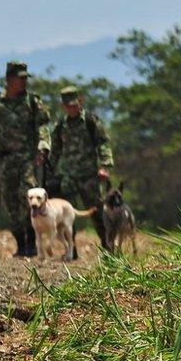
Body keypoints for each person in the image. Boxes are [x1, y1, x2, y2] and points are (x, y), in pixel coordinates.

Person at [0, 61, 51, 257]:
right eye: (21, 78)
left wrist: (43, 147)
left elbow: (43, 127)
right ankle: (20, 243)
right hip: (4, 161)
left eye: (26, 78)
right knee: (8, 202)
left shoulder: (33, 102)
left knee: (27, 197)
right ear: (9, 79)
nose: (24, 81)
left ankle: (31, 243)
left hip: (27, 159)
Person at [49, 86, 115, 250]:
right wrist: (49, 173)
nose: (72, 108)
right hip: (68, 177)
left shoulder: (90, 121)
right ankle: (71, 250)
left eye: (74, 104)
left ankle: (108, 248)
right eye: (68, 105)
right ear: (63, 106)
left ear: (80, 101)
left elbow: (103, 143)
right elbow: (55, 151)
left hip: (89, 177)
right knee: (66, 215)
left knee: (98, 213)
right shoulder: (60, 126)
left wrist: (105, 166)